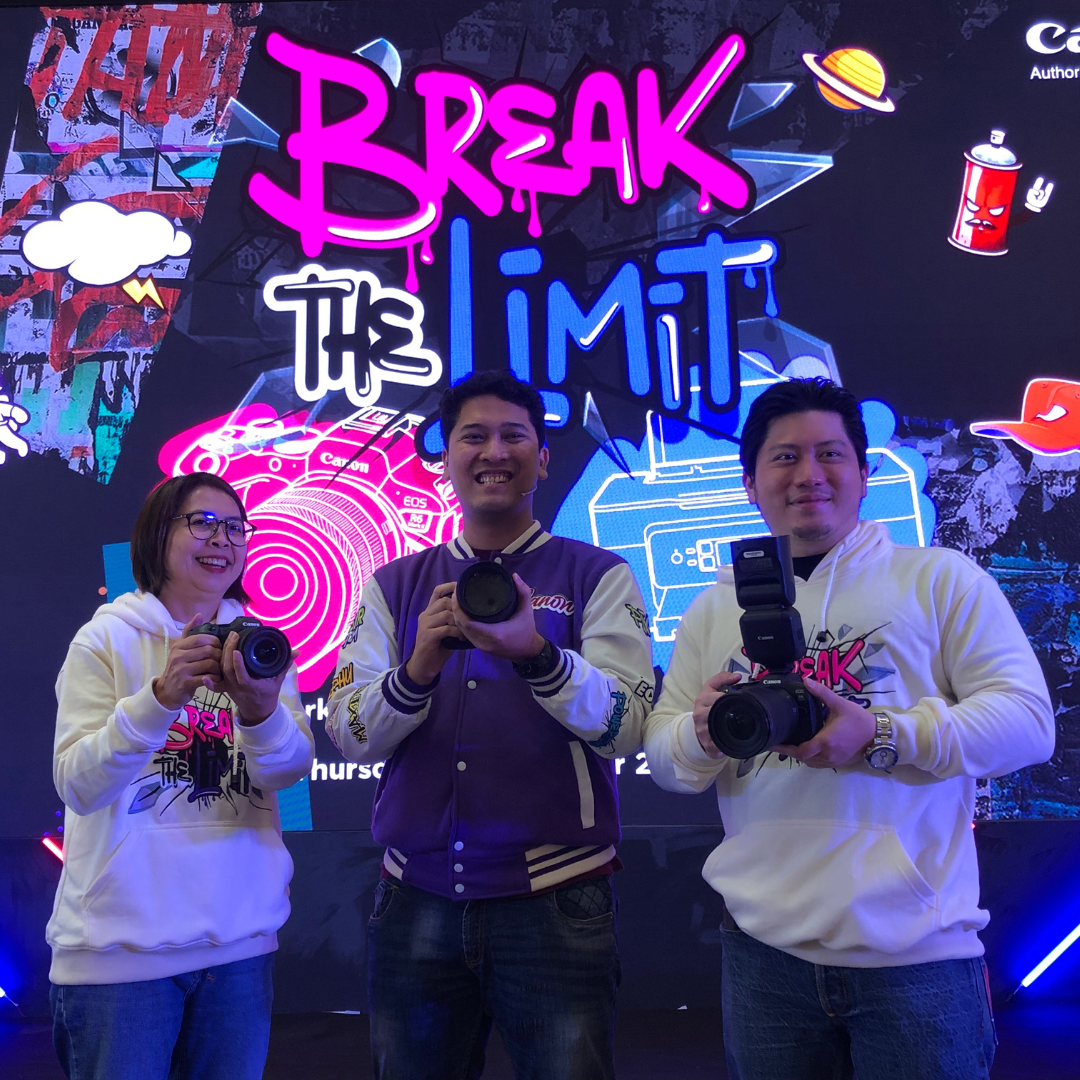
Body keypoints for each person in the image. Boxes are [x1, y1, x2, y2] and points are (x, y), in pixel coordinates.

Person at [643, 378, 1055, 1080]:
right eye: (784, 457)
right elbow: (667, 760)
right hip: (762, 953)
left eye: (830, 454)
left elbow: (1029, 725)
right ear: (749, 483)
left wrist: (881, 734)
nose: (808, 474)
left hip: (916, 954)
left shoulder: (940, 580)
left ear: (864, 474)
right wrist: (702, 735)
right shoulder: (712, 609)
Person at [326, 370, 654, 1079]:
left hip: (557, 897)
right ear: (445, 457)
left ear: (544, 458)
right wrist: (418, 666)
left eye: (514, 436)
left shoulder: (598, 574)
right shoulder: (393, 585)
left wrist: (538, 654)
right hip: (414, 894)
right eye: (473, 437)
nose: (494, 452)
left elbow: (630, 725)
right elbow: (348, 732)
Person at [48, 473, 315, 1080]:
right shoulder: (104, 639)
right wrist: (161, 698)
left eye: (235, 527)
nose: (222, 539)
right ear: (156, 535)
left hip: (240, 946)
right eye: (203, 523)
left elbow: (288, 771)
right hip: (120, 956)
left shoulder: (260, 644)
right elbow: (78, 784)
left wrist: (260, 711)